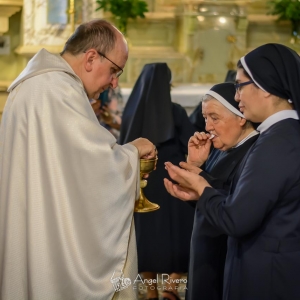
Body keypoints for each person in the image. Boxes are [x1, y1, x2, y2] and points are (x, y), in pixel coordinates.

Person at [0, 19, 157, 300]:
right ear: (91, 57)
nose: (113, 83)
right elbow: (95, 167)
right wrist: (132, 152)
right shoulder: (57, 90)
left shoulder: (35, 84)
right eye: (114, 71)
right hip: (46, 240)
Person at [164, 43, 300, 300]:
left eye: (240, 86)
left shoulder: (278, 141)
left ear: (265, 86)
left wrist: (202, 187)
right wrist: (198, 190)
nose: (237, 96)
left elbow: (238, 219)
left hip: (266, 280)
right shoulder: (278, 136)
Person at [119, 63, 196, 300]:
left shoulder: (131, 111)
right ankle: (171, 286)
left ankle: (151, 292)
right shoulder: (175, 112)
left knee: (146, 238)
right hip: (171, 182)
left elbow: (122, 144)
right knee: (179, 234)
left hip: (143, 181)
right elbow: (188, 144)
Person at [182, 83, 258, 300]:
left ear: (241, 117)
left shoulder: (254, 151)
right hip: (206, 250)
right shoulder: (222, 148)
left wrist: (199, 178)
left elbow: (237, 206)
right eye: (205, 118)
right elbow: (205, 199)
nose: (208, 127)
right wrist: (196, 166)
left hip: (225, 258)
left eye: (214, 118)